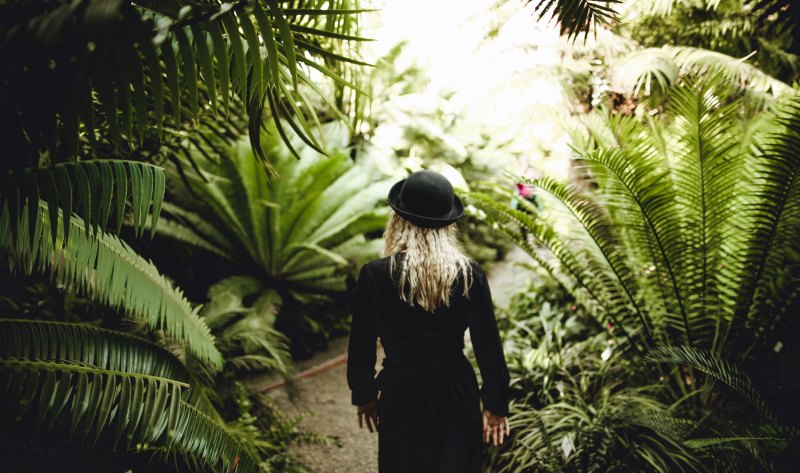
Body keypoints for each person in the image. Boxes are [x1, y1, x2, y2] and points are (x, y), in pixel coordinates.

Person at [347, 170, 511, 473]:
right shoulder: (468, 274)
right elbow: (487, 342)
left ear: (398, 219)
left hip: (402, 394)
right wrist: (495, 405)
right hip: (455, 391)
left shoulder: (376, 275)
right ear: (448, 224)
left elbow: (361, 342)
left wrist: (365, 394)